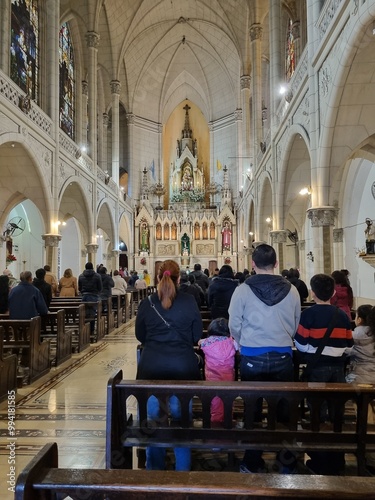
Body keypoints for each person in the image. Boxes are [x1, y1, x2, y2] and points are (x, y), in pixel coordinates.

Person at [228, 243, 301, 474]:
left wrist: (243, 342)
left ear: (253, 264)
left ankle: (252, 461)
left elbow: (234, 324)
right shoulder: (292, 290)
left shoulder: (242, 290)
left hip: (252, 355)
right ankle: (285, 462)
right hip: (282, 355)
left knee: (253, 409)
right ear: (276, 263)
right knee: (283, 410)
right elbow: (296, 321)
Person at [135, 259, 202, 471]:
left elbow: (140, 335)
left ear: (157, 278)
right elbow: (197, 335)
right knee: (183, 421)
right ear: (179, 278)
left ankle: (154, 470)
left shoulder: (147, 303)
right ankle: (183, 469)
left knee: (153, 421)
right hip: (183, 368)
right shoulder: (190, 301)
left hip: (151, 368)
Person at [294, 273, 353, 475]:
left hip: (317, 369)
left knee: (317, 411)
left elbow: (300, 343)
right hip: (337, 370)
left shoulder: (308, 315)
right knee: (337, 412)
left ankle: (319, 459)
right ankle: (337, 460)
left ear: (312, 293)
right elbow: (348, 344)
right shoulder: (342, 315)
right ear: (333, 292)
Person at [345, 304, 375, 473]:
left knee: (365, 415)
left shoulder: (356, 334)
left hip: (361, 379)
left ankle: (368, 454)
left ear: (360, 319)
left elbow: (347, 351)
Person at [198, 318, 238, 422]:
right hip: (228, 378)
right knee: (228, 400)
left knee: (215, 401)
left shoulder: (206, 343)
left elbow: (199, 343)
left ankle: (215, 422)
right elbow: (239, 346)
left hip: (212, 379)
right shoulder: (232, 343)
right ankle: (228, 420)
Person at [78, 262, 103, 333]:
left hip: (84, 297)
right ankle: (91, 329)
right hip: (94, 296)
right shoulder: (97, 276)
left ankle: (84, 329)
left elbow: (79, 287)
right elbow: (100, 287)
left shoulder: (81, 276)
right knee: (92, 313)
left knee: (84, 313)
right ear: (92, 267)